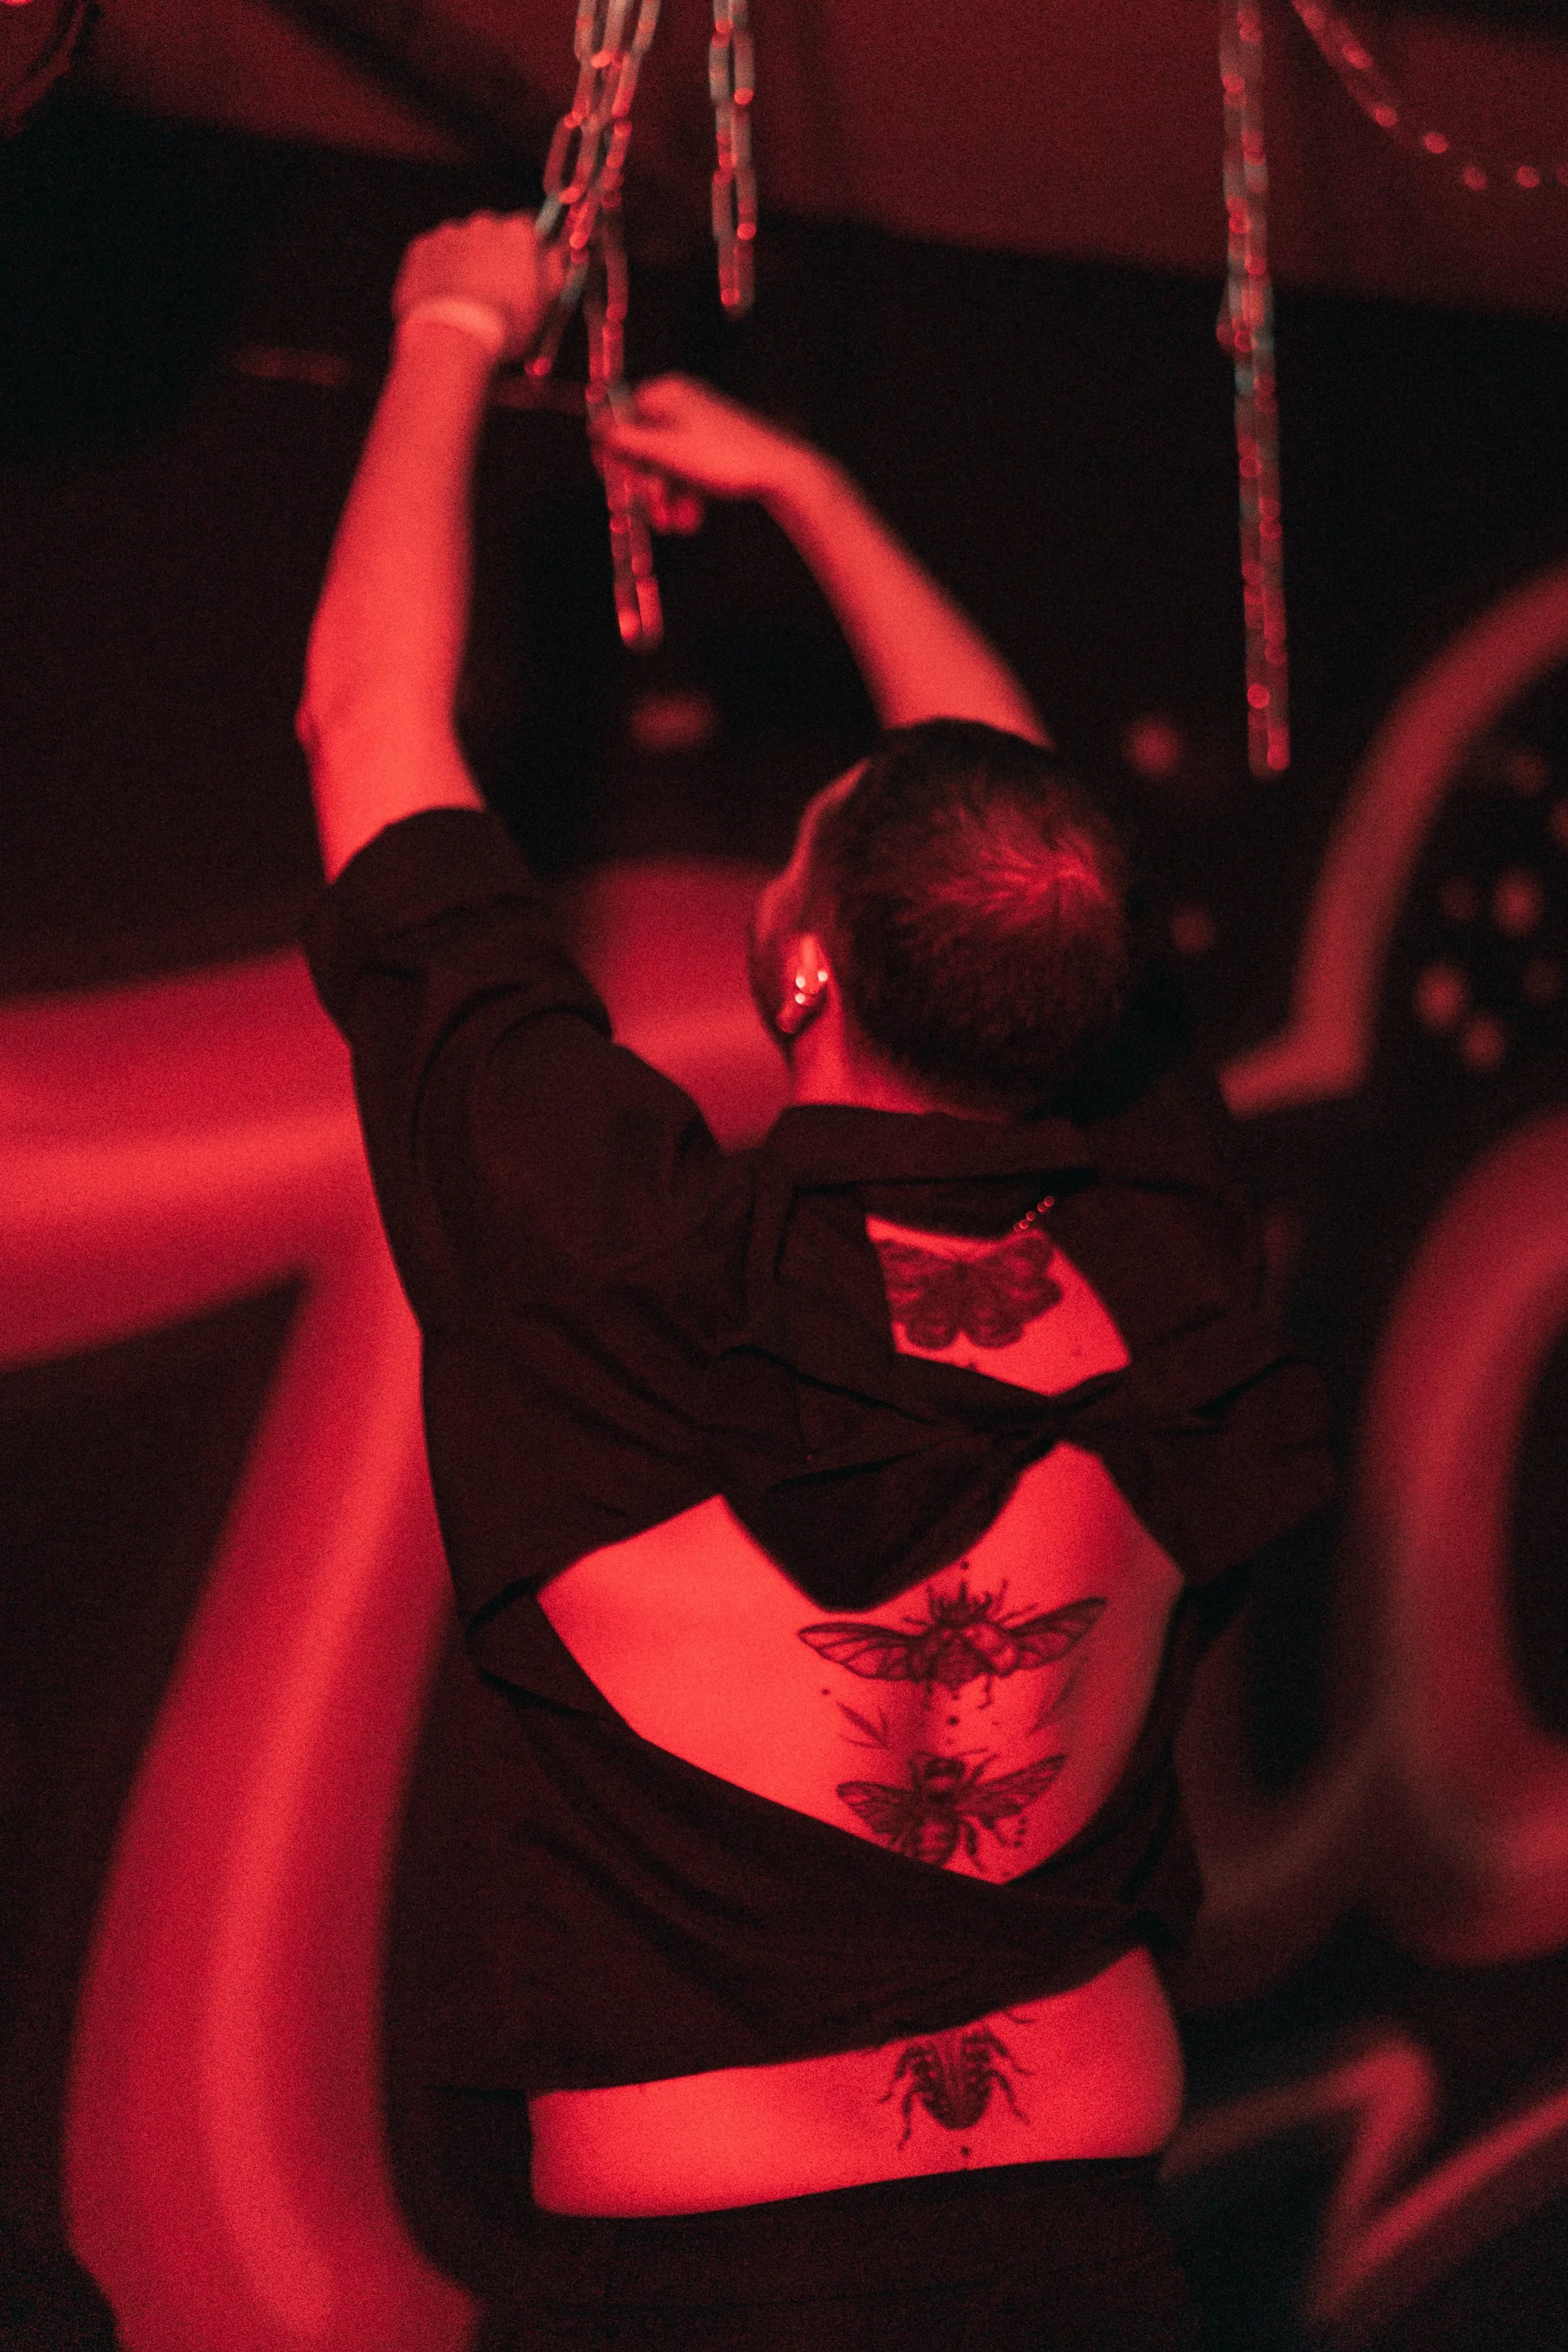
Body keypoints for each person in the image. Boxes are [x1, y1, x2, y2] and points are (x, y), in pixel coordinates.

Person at [299, 212, 1333, 2351]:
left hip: (711, 2291)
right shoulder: (1166, 1238)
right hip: (1091, 2259)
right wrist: (816, 491)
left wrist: (453, 321)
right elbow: (1014, 851)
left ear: (799, 964)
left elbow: (365, 727)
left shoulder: (608, 1237)